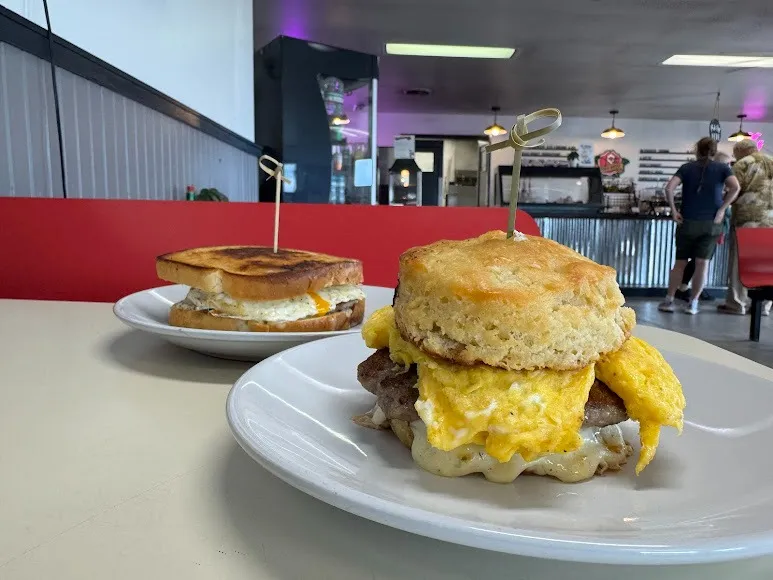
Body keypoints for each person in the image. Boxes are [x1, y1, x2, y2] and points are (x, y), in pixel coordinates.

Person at [659, 138, 740, 314]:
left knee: (680, 263)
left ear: (697, 150)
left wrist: (674, 211)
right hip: (711, 224)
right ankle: (693, 304)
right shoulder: (723, 168)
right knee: (702, 264)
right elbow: (735, 187)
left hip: (687, 222)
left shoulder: (687, 168)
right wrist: (722, 209)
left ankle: (669, 300)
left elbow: (669, 188)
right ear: (714, 151)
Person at [717, 139, 773, 316]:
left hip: (747, 220)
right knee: (766, 264)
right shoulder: (772, 161)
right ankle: (763, 306)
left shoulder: (743, 164)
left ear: (742, 151)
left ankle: (737, 303)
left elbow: (732, 190)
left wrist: (722, 206)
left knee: (740, 263)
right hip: (770, 221)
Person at [675, 151, 733, 302]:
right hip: (711, 225)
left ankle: (685, 289)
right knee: (700, 260)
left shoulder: (717, 180)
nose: (729, 167)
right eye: (728, 164)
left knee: (696, 260)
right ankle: (687, 290)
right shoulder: (720, 180)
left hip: (707, 224)